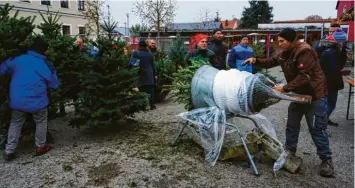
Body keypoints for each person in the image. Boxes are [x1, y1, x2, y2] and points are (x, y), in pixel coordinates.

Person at [243, 28, 334, 177]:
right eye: (278, 41)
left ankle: (327, 160)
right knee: (292, 125)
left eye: (282, 41)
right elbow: (272, 61)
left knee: (317, 129)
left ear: (291, 40)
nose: (279, 44)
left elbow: (305, 76)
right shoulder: (285, 52)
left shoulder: (305, 51)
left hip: (315, 96)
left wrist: (284, 88)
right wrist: (256, 61)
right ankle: (289, 152)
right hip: (298, 95)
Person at [0, 36, 59, 161]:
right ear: (42, 51)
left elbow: (3, 69)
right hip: (37, 102)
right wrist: (53, 73)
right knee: (41, 121)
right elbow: (54, 84)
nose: (48, 52)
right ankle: (40, 146)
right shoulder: (44, 64)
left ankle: (9, 150)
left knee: (16, 122)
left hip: (18, 100)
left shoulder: (18, 59)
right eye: (47, 50)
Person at [316, 29, 348, 127]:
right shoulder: (334, 52)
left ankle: (323, 120)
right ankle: (321, 122)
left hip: (325, 79)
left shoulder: (326, 49)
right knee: (331, 103)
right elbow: (336, 67)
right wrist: (340, 70)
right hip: (330, 81)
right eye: (344, 41)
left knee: (326, 102)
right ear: (340, 41)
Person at [130, 40, 157, 110]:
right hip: (149, 74)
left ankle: (142, 106)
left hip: (140, 74)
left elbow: (132, 63)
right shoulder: (150, 53)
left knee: (140, 90)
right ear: (146, 46)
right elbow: (153, 65)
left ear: (139, 45)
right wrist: (155, 74)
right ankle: (152, 105)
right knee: (150, 91)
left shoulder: (136, 52)